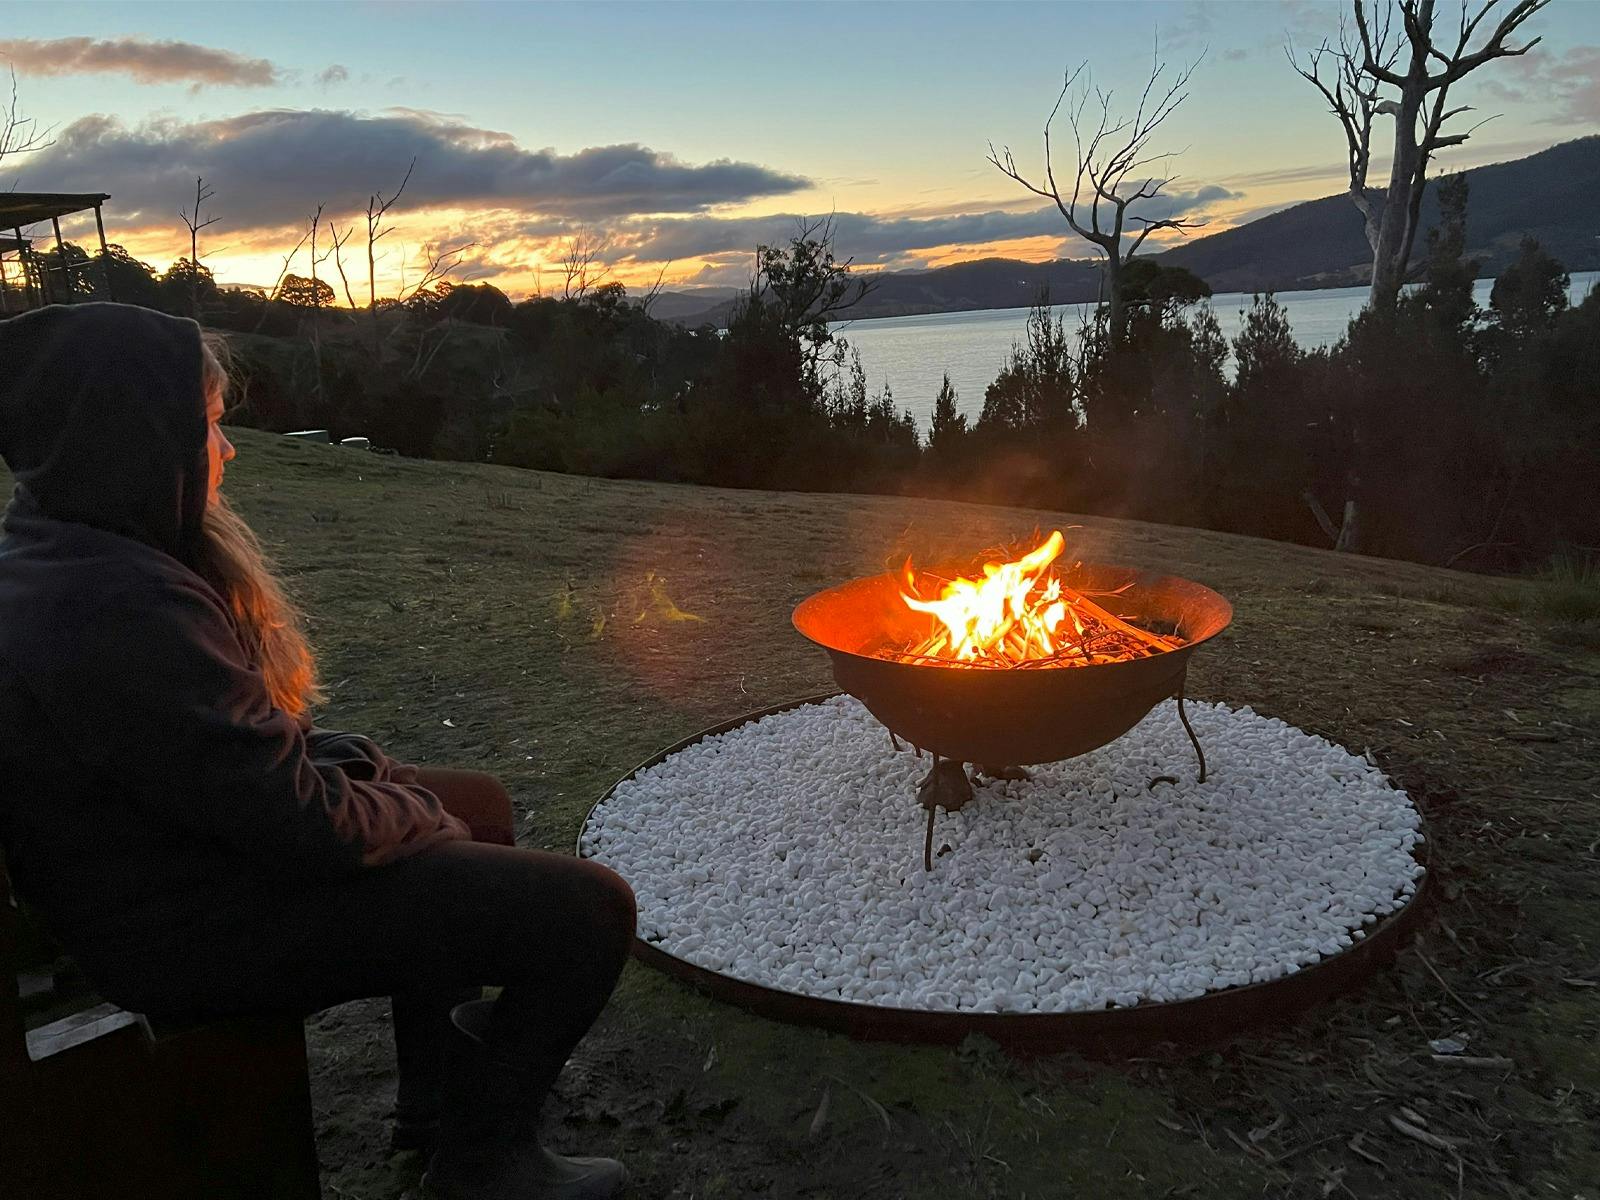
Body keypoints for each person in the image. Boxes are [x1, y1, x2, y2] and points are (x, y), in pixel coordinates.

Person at [0, 303, 636, 1200]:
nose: (226, 451)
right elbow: (296, 822)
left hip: (168, 867)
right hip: (181, 926)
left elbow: (217, 760)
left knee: (481, 803)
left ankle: (440, 1107)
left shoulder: (72, 551)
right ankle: (485, 1165)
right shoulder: (113, 606)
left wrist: (359, 769)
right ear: (136, 437)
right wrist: (411, 813)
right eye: (211, 426)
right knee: (588, 910)